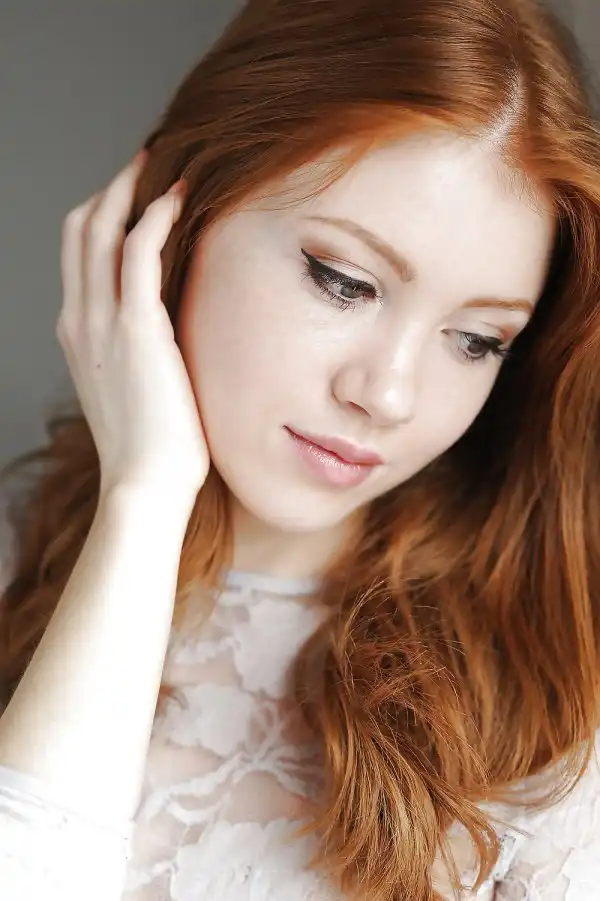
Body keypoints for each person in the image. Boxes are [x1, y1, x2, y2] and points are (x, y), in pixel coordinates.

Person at [0, 0, 599, 898]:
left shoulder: (555, 721)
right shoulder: (16, 558)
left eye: (477, 339)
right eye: (344, 282)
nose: (388, 394)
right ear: (183, 210)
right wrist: (144, 501)